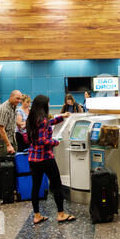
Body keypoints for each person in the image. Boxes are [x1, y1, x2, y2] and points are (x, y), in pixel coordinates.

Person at [26, 95, 76, 224]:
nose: (49, 105)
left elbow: (48, 123)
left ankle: (37, 215)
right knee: (57, 185)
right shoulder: (41, 120)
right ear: (43, 105)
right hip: (46, 158)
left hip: (33, 158)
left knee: (35, 187)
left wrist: (62, 117)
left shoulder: (31, 119)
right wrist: (55, 142)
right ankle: (61, 214)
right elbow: (43, 141)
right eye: (48, 104)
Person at [0, 90, 22, 157]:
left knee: (12, 164)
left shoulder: (14, 107)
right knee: (2, 165)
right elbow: (1, 129)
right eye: (17, 98)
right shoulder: (4, 109)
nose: (19, 101)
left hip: (11, 140)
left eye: (20, 99)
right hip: (2, 143)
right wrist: (8, 145)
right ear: (11, 96)